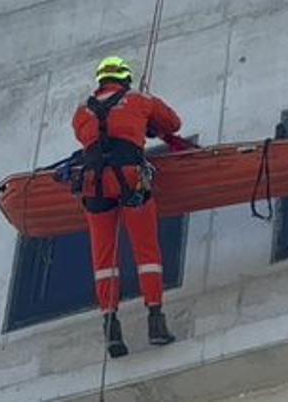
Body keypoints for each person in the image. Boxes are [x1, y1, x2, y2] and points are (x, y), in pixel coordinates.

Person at [68, 56, 195, 357]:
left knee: (104, 259)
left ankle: (110, 325)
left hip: (94, 184)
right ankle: (155, 319)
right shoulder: (138, 99)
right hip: (129, 178)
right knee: (146, 250)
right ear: (125, 78)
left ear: (100, 81)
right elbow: (174, 124)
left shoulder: (80, 113)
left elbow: (95, 136)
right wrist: (148, 123)